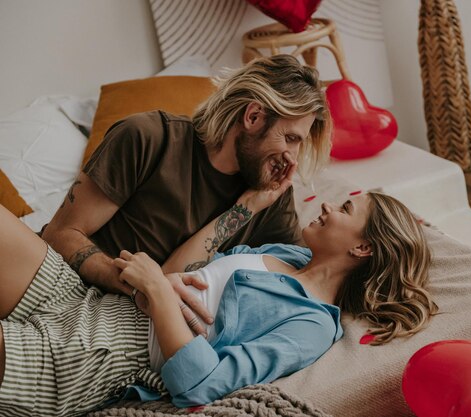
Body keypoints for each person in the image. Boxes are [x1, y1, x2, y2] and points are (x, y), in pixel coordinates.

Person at [0, 189, 437, 417]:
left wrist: (157, 292)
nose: (325, 203)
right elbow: (183, 270)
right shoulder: (288, 255)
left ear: (363, 248)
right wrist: (157, 280)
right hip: (93, 299)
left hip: (109, 349)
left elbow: (203, 384)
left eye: (344, 208)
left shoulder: (312, 325)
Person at [40, 54, 332, 330]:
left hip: (131, 326)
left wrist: (247, 208)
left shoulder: (269, 194)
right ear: (253, 117)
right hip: (61, 282)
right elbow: (60, 234)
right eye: (290, 138)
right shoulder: (148, 138)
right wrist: (141, 286)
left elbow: (304, 278)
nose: (292, 158)